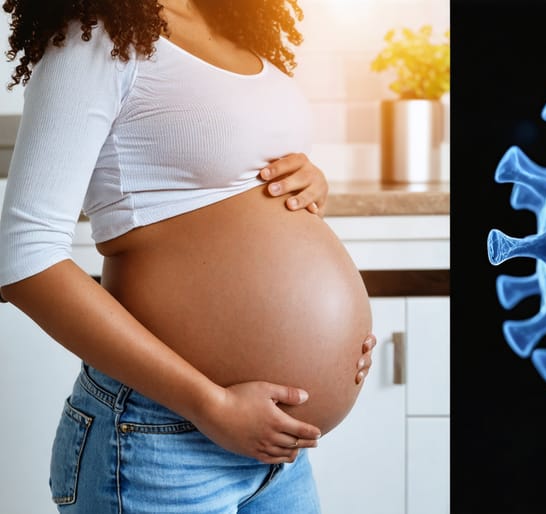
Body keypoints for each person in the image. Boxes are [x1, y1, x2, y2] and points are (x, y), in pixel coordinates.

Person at [0, 1, 378, 512]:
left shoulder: (230, 21)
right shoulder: (96, 37)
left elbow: (219, 181)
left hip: (276, 455)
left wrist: (309, 183)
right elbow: (23, 258)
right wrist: (212, 404)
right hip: (160, 443)